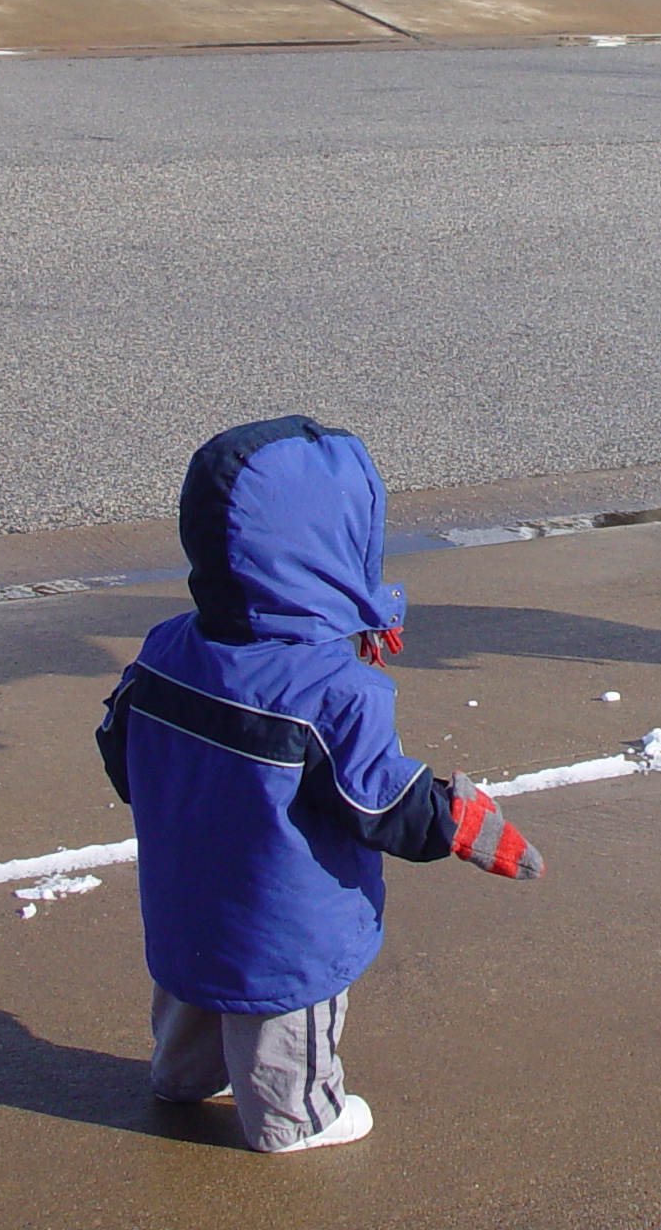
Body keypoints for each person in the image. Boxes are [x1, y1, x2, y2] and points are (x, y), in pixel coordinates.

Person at [98, 415, 543, 1153]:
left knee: (193, 987)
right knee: (285, 1014)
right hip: (284, 912)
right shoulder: (334, 690)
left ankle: (182, 1076)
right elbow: (379, 800)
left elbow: (120, 742)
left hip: (185, 886)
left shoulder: (169, 646)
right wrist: (460, 820)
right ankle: (295, 1119)